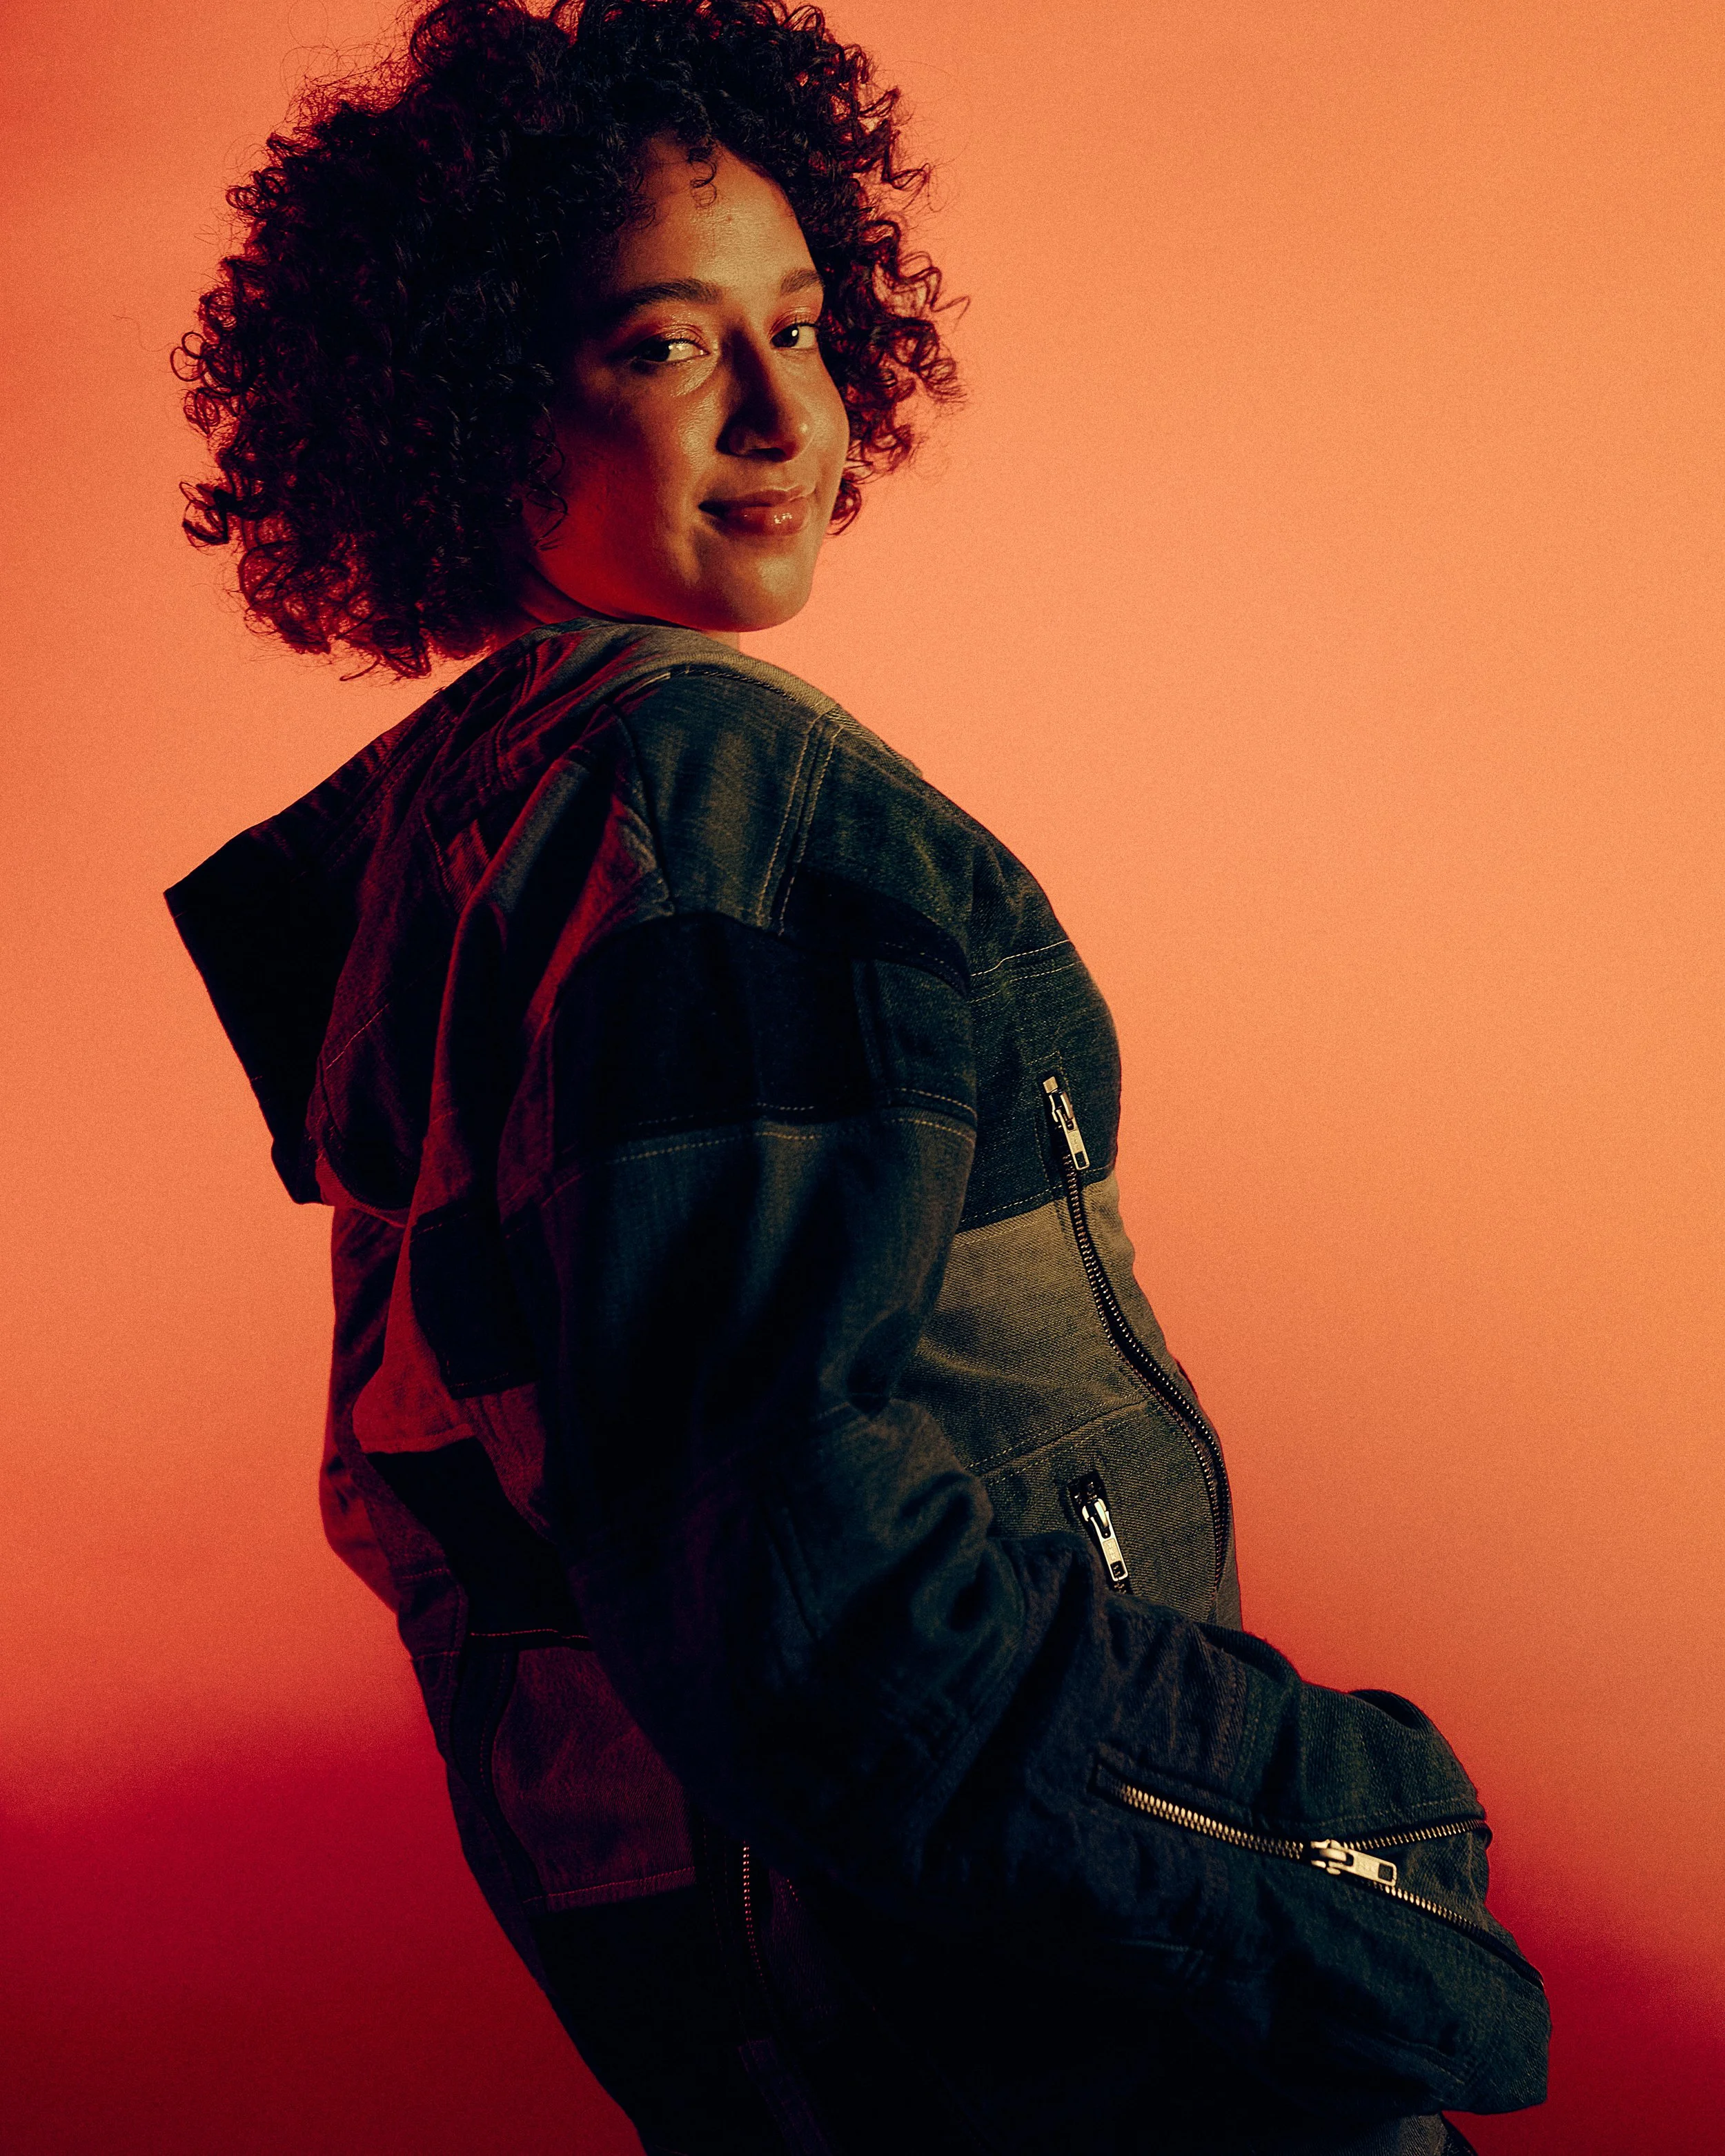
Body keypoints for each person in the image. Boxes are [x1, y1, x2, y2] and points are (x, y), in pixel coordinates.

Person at [165, 4, 1548, 2151]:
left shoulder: (474, 842)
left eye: (798, 327)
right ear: (471, 401)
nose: (776, 413)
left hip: (818, 2020)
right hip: (1066, 1999)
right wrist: (1355, 1834)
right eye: (659, 344)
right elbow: (793, 1593)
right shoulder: (712, 798)